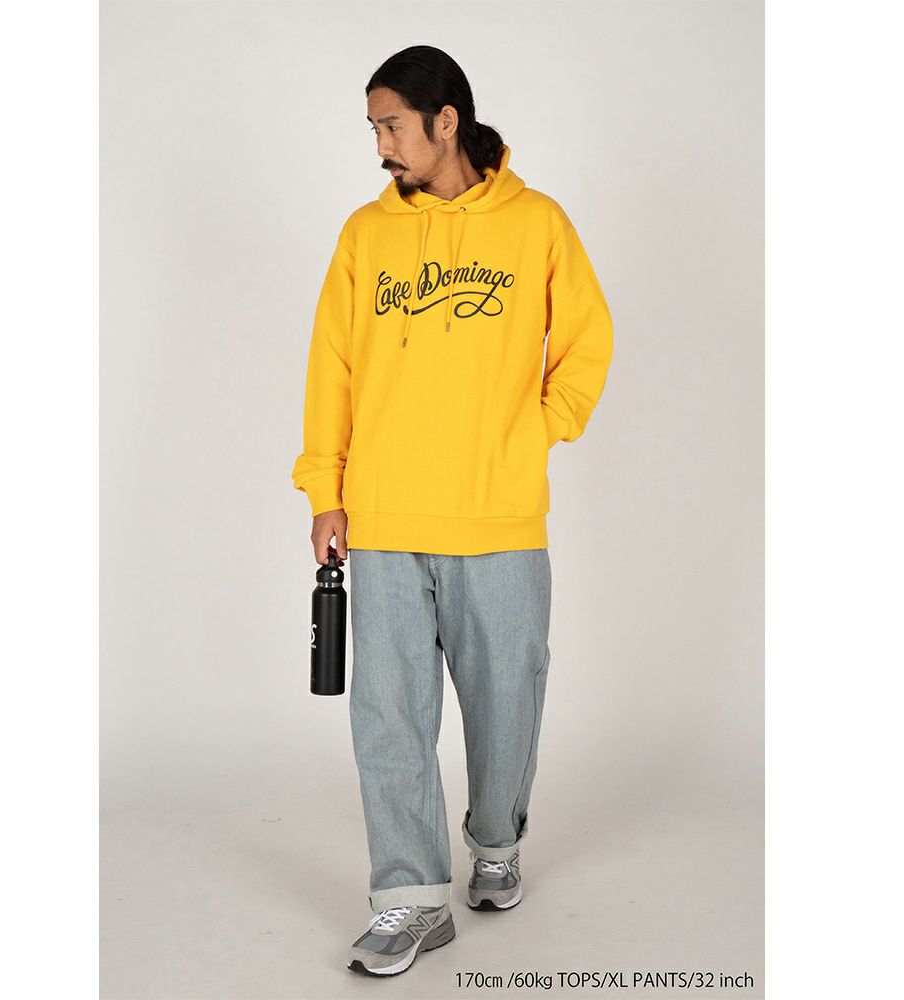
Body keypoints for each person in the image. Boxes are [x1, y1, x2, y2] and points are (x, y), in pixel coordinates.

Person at [291, 45, 614, 977]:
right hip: (386, 520)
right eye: (373, 129)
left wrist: (535, 428)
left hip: (498, 517)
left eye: (392, 125)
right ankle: (411, 898)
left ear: (446, 121)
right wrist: (326, 490)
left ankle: (496, 840)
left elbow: (588, 340)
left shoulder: (537, 224)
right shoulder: (365, 235)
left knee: (508, 699)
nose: (381, 146)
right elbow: (331, 369)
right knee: (388, 717)